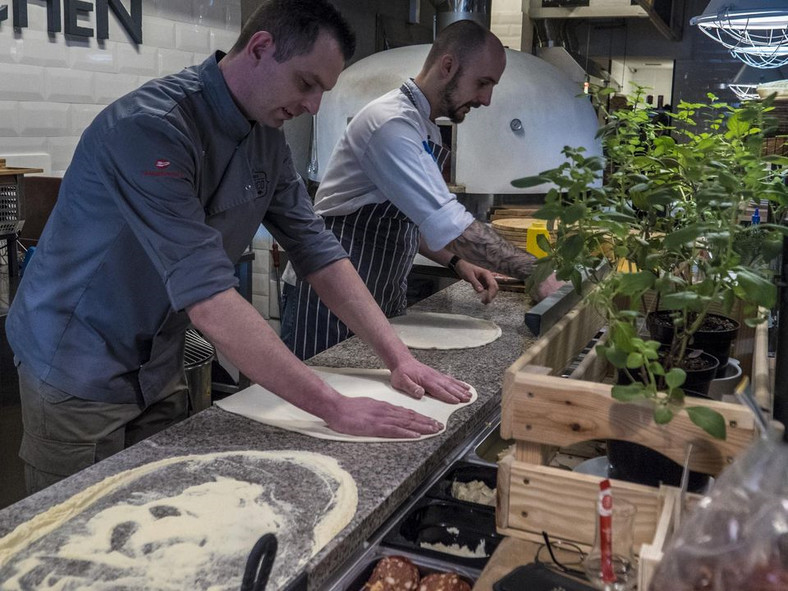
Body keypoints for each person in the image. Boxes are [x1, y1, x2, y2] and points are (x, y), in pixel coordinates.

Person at [6, 0, 473, 495]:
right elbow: (209, 299)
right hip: (79, 365)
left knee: (163, 509)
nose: (313, 106)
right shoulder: (151, 129)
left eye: (323, 91)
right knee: (77, 531)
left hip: (158, 364)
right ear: (260, 47)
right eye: (306, 83)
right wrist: (334, 407)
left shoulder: (266, 139)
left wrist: (397, 357)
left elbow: (317, 249)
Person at [281, 20, 563, 361]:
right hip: (326, 297)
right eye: (482, 83)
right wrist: (536, 271)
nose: (486, 99)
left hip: (375, 293)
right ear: (448, 66)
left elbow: (412, 218)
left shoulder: (422, 125)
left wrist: (456, 260)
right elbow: (450, 223)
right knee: (318, 400)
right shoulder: (391, 124)